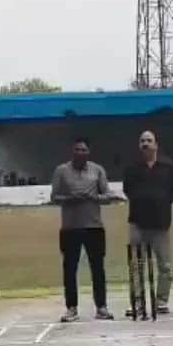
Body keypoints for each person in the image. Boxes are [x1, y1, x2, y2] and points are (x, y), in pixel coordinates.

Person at [50, 137, 115, 322]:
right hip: (70, 228)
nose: (80, 153)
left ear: (88, 152)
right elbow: (54, 197)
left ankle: (101, 307)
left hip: (94, 226)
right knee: (70, 269)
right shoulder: (61, 171)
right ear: (72, 152)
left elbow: (108, 196)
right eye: (77, 149)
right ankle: (71, 308)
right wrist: (71, 198)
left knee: (98, 269)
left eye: (83, 150)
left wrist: (93, 197)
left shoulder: (97, 170)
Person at [122, 130, 173, 315]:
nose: (145, 143)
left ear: (156, 145)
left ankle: (161, 301)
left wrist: (160, 204)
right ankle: (138, 302)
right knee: (136, 266)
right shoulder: (131, 168)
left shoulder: (168, 168)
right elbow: (128, 190)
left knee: (165, 266)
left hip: (161, 224)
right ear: (139, 146)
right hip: (137, 223)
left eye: (149, 140)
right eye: (142, 141)